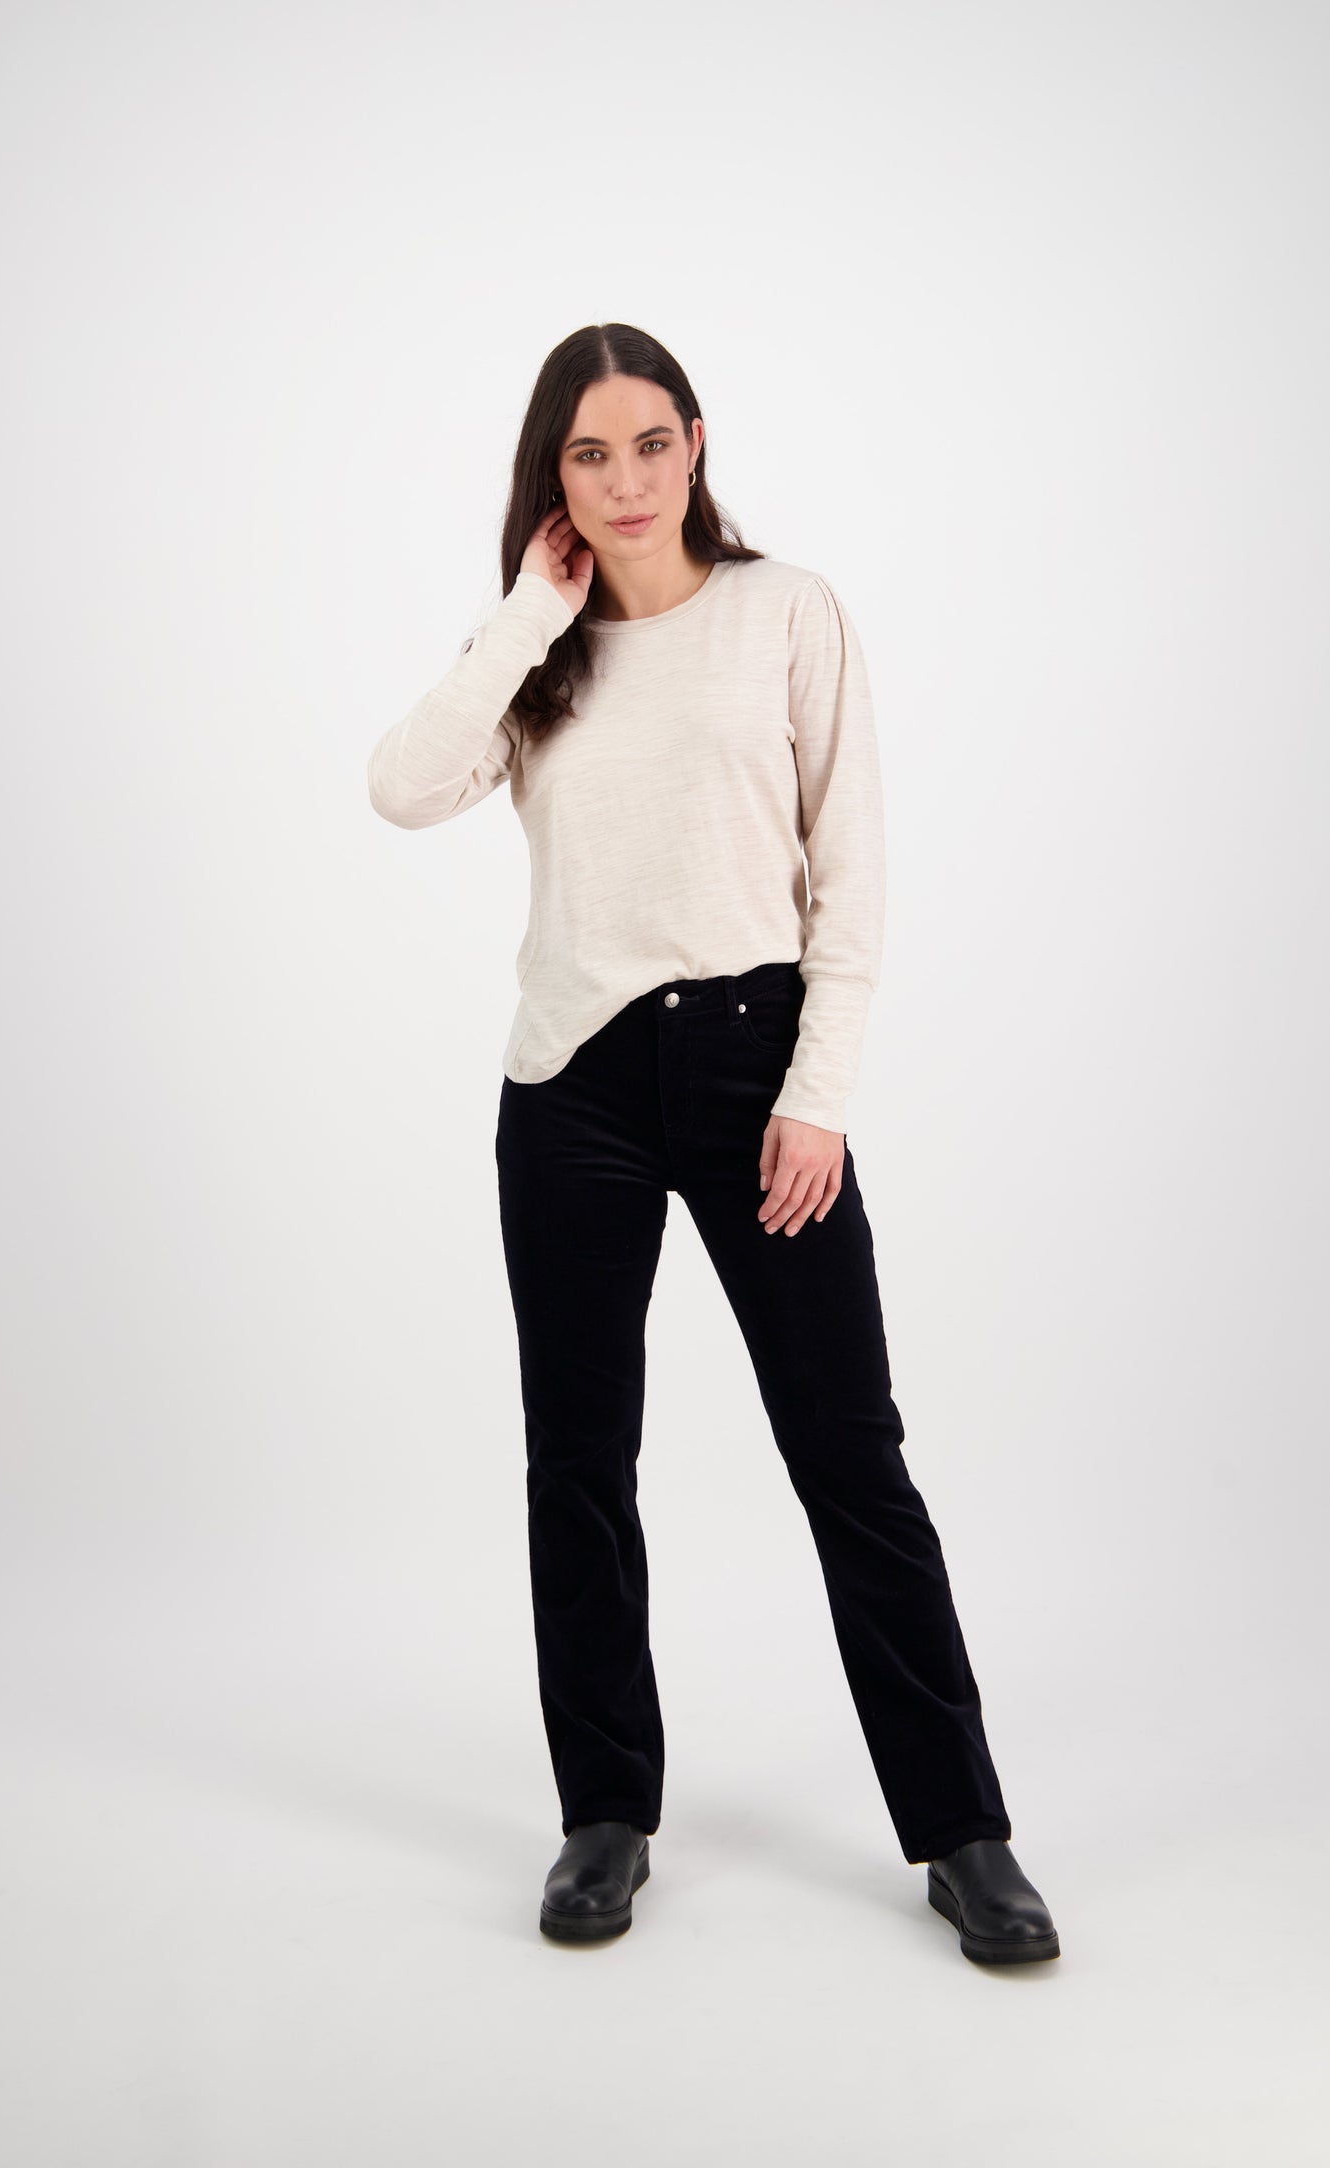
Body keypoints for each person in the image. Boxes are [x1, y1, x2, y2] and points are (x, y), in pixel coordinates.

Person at [366, 323, 1059, 1967]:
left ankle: (961, 1832)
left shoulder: (785, 613)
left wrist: (817, 1093)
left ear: (694, 442)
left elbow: (850, 868)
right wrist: (529, 611)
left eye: (650, 443)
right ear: (553, 476)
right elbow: (400, 788)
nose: (625, 481)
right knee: (577, 1464)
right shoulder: (535, 654)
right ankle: (603, 1814)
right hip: (573, 1084)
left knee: (849, 1457)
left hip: (757, 1071)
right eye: (588, 454)